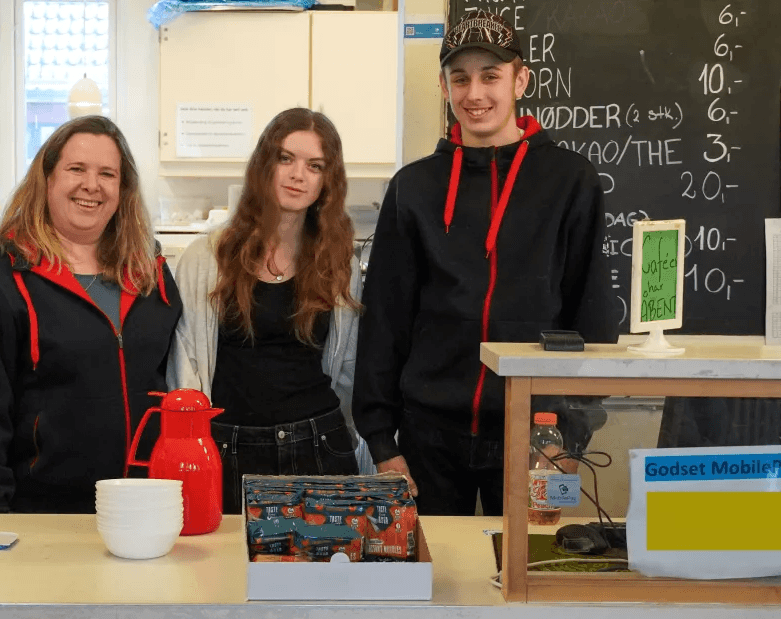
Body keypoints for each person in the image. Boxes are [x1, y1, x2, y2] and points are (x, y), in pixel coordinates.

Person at [352, 10, 618, 516]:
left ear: (521, 80)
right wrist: (383, 444)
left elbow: (592, 315)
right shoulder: (413, 187)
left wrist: (573, 439)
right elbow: (385, 318)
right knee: (432, 580)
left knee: (520, 583)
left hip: (536, 437)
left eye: (490, 76)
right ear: (444, 85)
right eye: (460, 78)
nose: (474, 94)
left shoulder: (572, 181)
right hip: (427, 435)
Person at [0, 115, 183, 514]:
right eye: (76, 169)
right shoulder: (1, 277)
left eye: (107, 173)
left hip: (146, 507)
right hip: (42, 512)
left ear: (122, 190)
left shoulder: (150, 274)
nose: (92, 185)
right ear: (48, 179)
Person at [168, 108, 371, 514]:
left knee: (324, 576)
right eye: (286, 158)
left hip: (319, 446)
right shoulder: (206, 259)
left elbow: (347, 368)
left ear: (327, 181)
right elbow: (186, 366)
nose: (298, 175)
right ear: (264, 164)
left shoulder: (338, 262)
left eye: (315, 166)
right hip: (226, 449)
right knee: (221, 575)